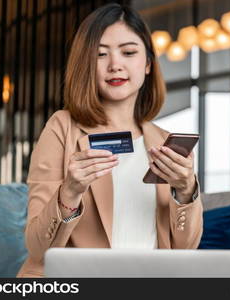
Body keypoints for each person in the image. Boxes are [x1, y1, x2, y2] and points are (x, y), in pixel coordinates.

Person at [17, 3, 203, 278]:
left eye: (129, 52)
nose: (116, 65)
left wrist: (186, 191)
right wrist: (70, 191)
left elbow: (185, 252)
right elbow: (37, 249)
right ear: (86, 65)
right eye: (100, 54)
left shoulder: (167, 144)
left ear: (148, 64)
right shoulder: (62, 128)